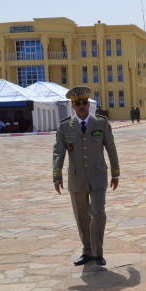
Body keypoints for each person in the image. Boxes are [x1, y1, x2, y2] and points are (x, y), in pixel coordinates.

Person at [53, 86, 119, 267]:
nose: (81, 106)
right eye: (77, 104)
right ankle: (87, 251)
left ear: (89, 104)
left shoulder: (101, 123)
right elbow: (59, 152)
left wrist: (115, 172)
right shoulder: (65, 126)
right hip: (77, 179)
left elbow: (110, 148)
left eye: (84, 103)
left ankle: (99, 252)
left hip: (98, 177)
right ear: (72, 106)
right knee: (82, 217)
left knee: (98, 213)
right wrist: (56, 175)